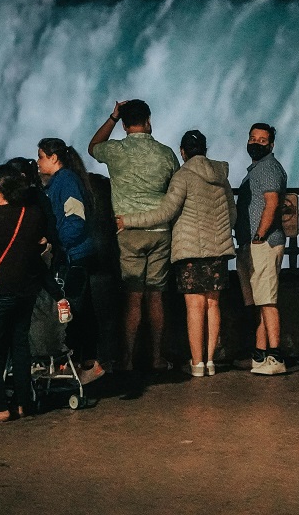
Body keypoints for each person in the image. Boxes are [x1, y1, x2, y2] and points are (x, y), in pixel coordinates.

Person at [120, 130, 235, 377]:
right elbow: (232, 214)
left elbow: (165, 213)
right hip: (218, 250)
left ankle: (197, 363)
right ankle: (211, 361)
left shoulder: (183, 176)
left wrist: (128, 220)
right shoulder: (221, 176)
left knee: (194, 306)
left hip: (191, 251)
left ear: (183, 152)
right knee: (213, 305)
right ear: (205, 149)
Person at [88, 99, 179, 374]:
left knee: (133, 297)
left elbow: (93, 147)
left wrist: (113, 117)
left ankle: (127, 360)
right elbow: (175, 189)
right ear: (148, 120)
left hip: (127, 231)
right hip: (160, 231)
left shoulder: (115, 150)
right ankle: (156, 358)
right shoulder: (166, 153)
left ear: (126, 124)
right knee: (155, 297)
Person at [0, 164, 51, 423]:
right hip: (25, 291)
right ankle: (23, 403)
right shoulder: (33, 214)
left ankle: (0, 407)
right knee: (19, 345)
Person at [37, 138, 104, 386]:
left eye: (41, 156)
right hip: (74, 254)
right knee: (81, 310)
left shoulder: (65, 181)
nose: (38, 162)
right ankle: (86, 364)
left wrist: (54, 240)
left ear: (54, 158)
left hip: (72, 256)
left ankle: (83, 365)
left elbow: (75, 220)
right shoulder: (64, 181)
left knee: (74, 312)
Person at [233, 123, 290, 375]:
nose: (256, 143)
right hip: (251, 243)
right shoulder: (255, 170)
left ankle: (275, 358)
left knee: (267, 300)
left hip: (263, 243)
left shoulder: (268, 167)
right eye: (252, 138)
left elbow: (272, 202)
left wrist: (260, 234)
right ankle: (259, 357)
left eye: (262, 140)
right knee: (257, 301)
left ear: (271, 145)